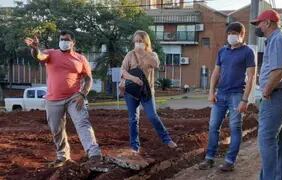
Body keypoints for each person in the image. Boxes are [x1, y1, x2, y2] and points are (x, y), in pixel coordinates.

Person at [24, 30, 102, 168]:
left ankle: (94, 155)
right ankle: (62, 157)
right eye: (61, 39)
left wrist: (83, 93)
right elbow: (39, 56)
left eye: (66, 39)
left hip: (74, 97)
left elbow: (89, 78)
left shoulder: (80, 58)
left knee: (82, 123)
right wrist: (35, 48)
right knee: (56, 129)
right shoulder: (51, 53)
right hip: (53, 100)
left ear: (73, 42)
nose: (63, 42)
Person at [198, 22, 256, 172]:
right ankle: (209, 158)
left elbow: (251, 77)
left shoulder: (248, 52)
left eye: (235, 33)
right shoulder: (222, 51)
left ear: (242, 35)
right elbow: (216, 73)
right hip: (221, 94)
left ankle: (230, 161)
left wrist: (245, 99)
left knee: (235, 128)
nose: (231, 36)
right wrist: (211, 91)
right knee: (213, 127)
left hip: (237, 95)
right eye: (229, 33)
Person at [250, 9, 282, 180]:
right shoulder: (279, 38)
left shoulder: (278, 39)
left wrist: (265, 91)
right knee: (280, 140)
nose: (257, 27)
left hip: (277, 95)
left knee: (266, 139)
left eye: (258, 23)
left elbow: (279, 70)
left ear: (268, 23)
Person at [120, 30, 177, 153]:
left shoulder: (152, 55)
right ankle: (134, 146)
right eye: (136, 41)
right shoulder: (129, 55)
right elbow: (123, 71)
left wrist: (144, 54)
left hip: (146, 91)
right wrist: (133, 78)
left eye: (140, 41)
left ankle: (167, 139)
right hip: (131, 92)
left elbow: (156, 64)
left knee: (152, 115)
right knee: (133, 119)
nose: (138, 44)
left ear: (146, 42)